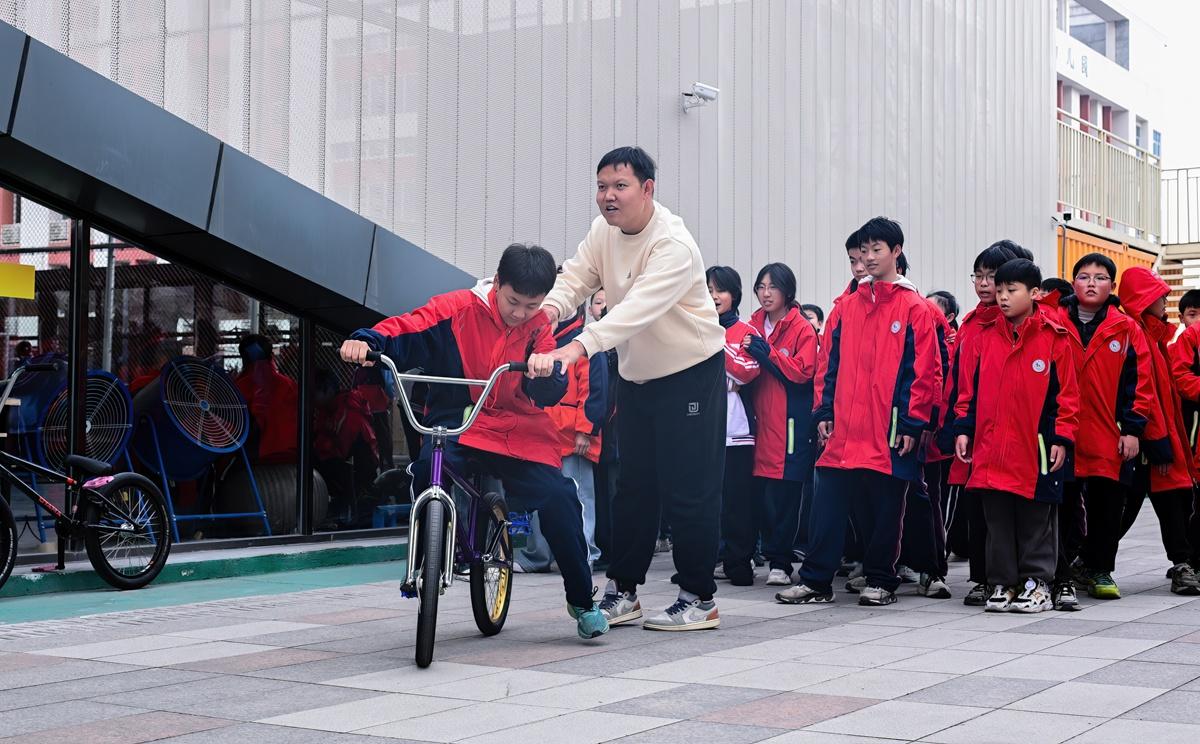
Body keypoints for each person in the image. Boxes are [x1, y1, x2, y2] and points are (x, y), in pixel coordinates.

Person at [340, 243, 610, 639]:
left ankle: (582, 599)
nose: (520, 314)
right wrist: (368, 341)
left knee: (559, 496)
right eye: (513, 301)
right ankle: (426, 558)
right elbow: (408, 327)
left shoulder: (538, 327)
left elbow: (550, 388)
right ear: (497, 282)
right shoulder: (456, 308)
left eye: (531, 306)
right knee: (426, 469)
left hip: (514, 429)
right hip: (456, 426)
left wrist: (547, 373)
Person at [529, 146, 727, 631]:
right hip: (638, 378)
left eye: (620, 186)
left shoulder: (673, 245)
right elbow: (575, 277)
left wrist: (577, 348)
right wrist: (545, 314)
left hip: (691, 373)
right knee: (633, 489)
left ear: (647, 189)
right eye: (602, 186)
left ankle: (699, 598)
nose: (608, 197)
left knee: (689, 490)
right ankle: (624, 591)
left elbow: (637, 308)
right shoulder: (604, 232)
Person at [777, 217, 941, 606]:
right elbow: (826, 366)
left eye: (876, 250)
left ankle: (881, 579)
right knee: (827, 507)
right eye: (862, 251)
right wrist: (823, 413)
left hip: (889, 431)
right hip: (843, 430)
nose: (867, 258)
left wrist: (914, 423)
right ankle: (816, 582)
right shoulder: (845, 307)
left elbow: (924, 372)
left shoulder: (915, 308)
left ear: (896, 252)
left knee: (887, 510)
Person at [954, 257, 1079, 613]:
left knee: (1036, 519)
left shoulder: (1055, 338)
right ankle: (1003, 583)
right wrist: (963, 430)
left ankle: (1037, 583)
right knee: (997, 520)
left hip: (1036, 448)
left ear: (1035, 293)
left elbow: (1067, 397)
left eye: (1012, 290)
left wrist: (1061, 438)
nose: (1003, 297)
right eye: (1000, 290)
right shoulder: (985, 338)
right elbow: (968, 393)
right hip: (992, 448)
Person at [1049, 254, 1154, 608]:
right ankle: (1060, 572)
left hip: (1110, 434)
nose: (1091, 283)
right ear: (1073, 282)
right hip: (1064, 433)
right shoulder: (1053, 321)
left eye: (1100, 277)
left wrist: (1133, 429)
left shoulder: (1126, 328)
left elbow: (1140, 383)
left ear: (1112, 285)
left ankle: (1099, 569)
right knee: (1061, 506)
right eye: (1083, 276)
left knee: (1107, 506)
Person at [941, 240, 1022, 605]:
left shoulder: (1017, 322)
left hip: (1009, 430)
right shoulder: (973, 323)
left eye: (993, 277)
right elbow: (960, 379)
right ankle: (981, 577)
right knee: (976, 507)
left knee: (1010, 508)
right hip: (972, 427)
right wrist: (958, 423)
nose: (985, 284)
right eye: (979, 276)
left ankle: (1012, 576)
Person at [1116, 267, 1200, 595]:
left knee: (1171, 502)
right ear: (1143, 300)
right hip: (1146, 439)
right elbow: (1142, 393)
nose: (1165, 300)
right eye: (1159, 295)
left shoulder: (1156, 336)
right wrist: (1154, 438)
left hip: (1160, 437)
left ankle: (1182, 563)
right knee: (1128, 505)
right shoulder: (1135, 335)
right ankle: (1086, 560)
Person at [516, 302, 609, 572]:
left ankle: (586, 553)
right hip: (540, 434)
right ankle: (538, 556)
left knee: (580, 498)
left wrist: (586, 430)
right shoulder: (538, 341)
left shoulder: (585, 343)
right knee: (539, 495)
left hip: (571, 436)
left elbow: (595, 390)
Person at [745, 263, 818, 588]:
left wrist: (768, 354)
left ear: (788, 290)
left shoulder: (802, 328)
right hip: (757, 427)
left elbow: (803, 372)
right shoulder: (751, 326)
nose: (765, 293)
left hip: (790, 427)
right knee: (759, 499)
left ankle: (781, 562)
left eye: (772, 286)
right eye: (761, 286)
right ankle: (755, 554)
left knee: (787, 498)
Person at [706, 265, 763, 585]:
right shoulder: (695, 328)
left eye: (720, 290)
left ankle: (739, 561)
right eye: (709, 290)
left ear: (735, 295)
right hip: (700, 430)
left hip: (736, 430)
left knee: (737, 501)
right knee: (703, 501)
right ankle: (703, 559)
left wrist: (714, 343)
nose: (714, 296)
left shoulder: (746, 330)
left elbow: (746, 371)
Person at [235, 334, 299, 464]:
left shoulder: (241, 386)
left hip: (259, 459)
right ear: (271, 356)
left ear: (245, 359)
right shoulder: (289, 384)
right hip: (293, 455)